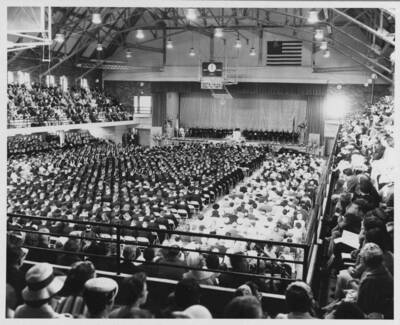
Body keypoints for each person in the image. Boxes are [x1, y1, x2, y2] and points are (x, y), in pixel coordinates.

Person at [355, 243, 393, 318]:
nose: (359, 259)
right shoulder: (383, 270)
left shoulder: (370, 280)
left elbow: (361, 305)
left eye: (361, 258)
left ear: (365, 261)